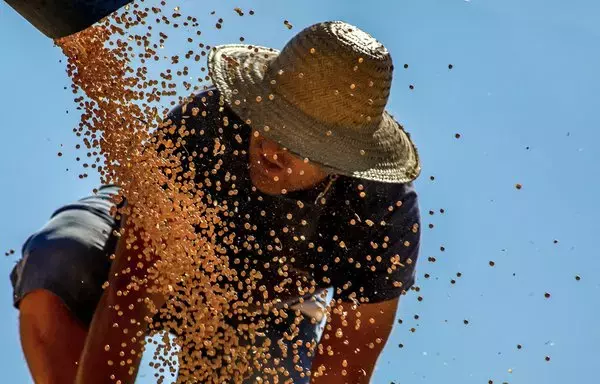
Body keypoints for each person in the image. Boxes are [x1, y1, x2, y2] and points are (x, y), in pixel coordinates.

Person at [10, 21, 422, 384]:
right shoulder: (204, 126)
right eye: (271, 118)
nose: (272, 146)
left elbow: (343, 370)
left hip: (267, 307)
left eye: (301, 141)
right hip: (145, 248)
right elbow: (130, 293)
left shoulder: (381, 214)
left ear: (343, 159)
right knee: (59, 259)